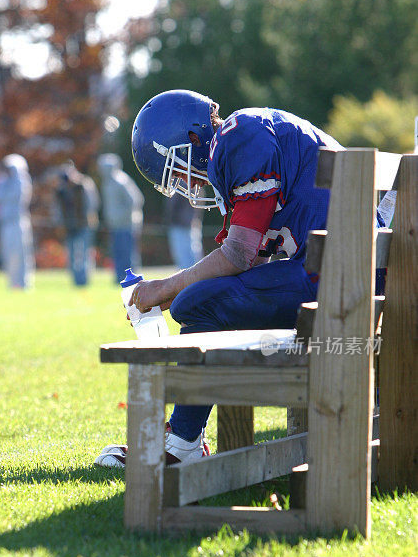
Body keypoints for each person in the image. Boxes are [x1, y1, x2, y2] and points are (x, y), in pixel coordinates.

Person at [95, 88, 347, 467]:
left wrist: (168, 287)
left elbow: (239, 255)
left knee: (199, 303)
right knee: (201, 297)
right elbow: (253, 261)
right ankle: (183, 437)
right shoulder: (249, 135)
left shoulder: (239, 135)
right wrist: (181, 286)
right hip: (345, 273)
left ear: (194, 138)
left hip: (339, 279)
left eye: (178, 169)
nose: (188, 184)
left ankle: (181, 442)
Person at [97, 153, 144, 284]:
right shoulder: (107, 183)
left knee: (127, 254)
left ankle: (132, 280)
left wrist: (121, 216)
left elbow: (135, 200)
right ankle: (119, 279)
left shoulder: (121, 181)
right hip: (114, 225)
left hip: (126, 224)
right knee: (116, 253)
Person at [52, 161, 99, 286]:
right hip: (69, 226)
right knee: (72, 255)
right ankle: (75, 281)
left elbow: (93, 203)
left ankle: (84, 281)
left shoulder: (84, 184)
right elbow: (57, 209)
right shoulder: (61, 190)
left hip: (84, 224)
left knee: (84, 253)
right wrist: (59, 224)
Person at [0, 154, 34, 290]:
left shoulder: (22, 181)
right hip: (5, 223)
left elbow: (16, 196)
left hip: (18, 222)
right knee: (7, 254)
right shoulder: (2, 181)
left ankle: (24, 283)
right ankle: (12, 283)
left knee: (21, 254)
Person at [165, 192, 204, 269]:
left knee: (185, 258)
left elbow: (172, 206)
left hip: (181, 225)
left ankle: (191, 279)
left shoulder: (182, 186)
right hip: (191, 224)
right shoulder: (196, 187)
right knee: (193, 255)